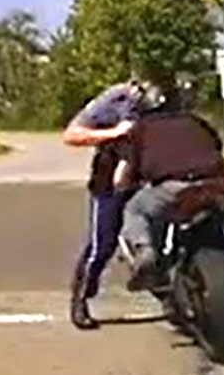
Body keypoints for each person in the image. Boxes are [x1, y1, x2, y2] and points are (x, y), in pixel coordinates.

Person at [117, 99, 224, 293]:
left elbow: (125, 173)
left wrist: (123, 184)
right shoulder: (195, 121)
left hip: (172, 187)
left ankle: (145, 252)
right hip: (212, 183)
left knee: (135, 208)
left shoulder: (140, 130)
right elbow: (217, 144)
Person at [61, 79, 164, 330]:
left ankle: (171, 289)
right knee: (102, 244)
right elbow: (72, 135)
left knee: (163, 232)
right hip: (111, 179)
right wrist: (114, 133)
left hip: (151, 173)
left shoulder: (169, 101)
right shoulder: (113, 101)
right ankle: (81, 298)